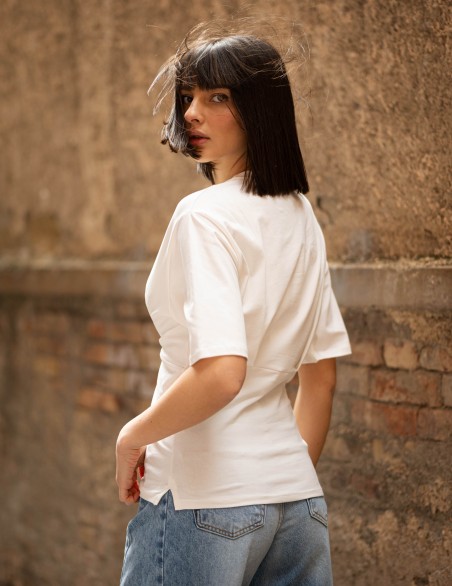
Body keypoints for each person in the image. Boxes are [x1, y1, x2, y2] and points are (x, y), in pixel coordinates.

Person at [116, 26, 351, 586]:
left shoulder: (203, 215)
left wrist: (133, 436)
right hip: (297, 504)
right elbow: (320, 380)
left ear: (260, 108)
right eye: (188, 96)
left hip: (201, 495)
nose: (192, 113)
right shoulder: (302, 217)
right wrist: (273, 479)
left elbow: (222, 373)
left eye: (217, 97)